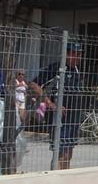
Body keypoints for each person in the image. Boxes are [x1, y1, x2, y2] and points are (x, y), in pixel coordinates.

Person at [30, 41, 84, 170]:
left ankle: (66, 177)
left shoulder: (77, 70)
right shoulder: (56, 68)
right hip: (59, 119)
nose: (76, 57)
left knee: (68, 152)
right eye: (73, 54)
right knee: (60, 152)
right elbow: (34, 85)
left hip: (74, 118)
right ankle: (55, 177)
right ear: (66, 54)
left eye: (79, 54)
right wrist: (51, 104)